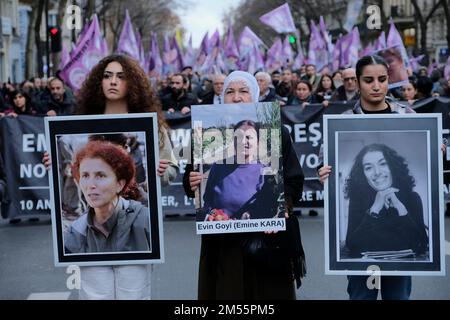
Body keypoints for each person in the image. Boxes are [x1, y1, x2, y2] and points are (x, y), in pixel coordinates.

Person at [44, 54, 178, 299]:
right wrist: (54, 163)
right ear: (99, 82)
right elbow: (68, 176)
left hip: (135, 242)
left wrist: (162, 170)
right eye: (107, 76)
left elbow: (171, 169)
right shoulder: (78, 127)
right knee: (96, 295)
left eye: (120, 76)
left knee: (133, 294)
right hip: (93, 240)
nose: (113, 81)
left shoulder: (151, 127)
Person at [184, 70, 306, 300]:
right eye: (230, 91)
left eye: (244, 91)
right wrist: (192, 182)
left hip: (267, 239)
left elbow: (293, 180)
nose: (237, 97)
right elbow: (191, 180)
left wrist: (282, 207)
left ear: (256, 96)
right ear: (222, 97)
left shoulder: (277, 133)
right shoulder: (206, 138)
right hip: (223, 244)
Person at [318, 55, 419, 300]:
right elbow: (324, 156)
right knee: (362, 296)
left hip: (401, 262)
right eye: (368, 80)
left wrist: (441, 147)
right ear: (357, 83)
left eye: (382, 79)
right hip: (362, 265)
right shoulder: (341, 122)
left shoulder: (407, 115)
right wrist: (322, 173)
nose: (376, 86)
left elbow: (420, 242)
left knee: (399, 297)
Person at [342, 143, 428, 258]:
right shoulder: (357, 201)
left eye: (383, 164)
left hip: (400, 270)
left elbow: (421, 244)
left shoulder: (412, 198)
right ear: (363, 174)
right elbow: (352, 245)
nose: (377, 172)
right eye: (368, 168)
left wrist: (401, 210)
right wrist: (374, 209)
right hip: (364, 271)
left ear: (393, 166)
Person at [64, 140, 151, 253]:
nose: (91, 185)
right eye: (85, 175)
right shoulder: (75, 230)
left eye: (100, 175)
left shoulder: (145, 219)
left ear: (120, 184)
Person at [200, 120, 280, 221]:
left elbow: (269, 207)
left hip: (253, 232)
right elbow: (207, 202)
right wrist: (214, 215)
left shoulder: (265, 171)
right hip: (221, 231)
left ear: (258, 142)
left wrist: (251, 215)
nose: (243, 141)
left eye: (249, 137)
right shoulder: (217, 167)